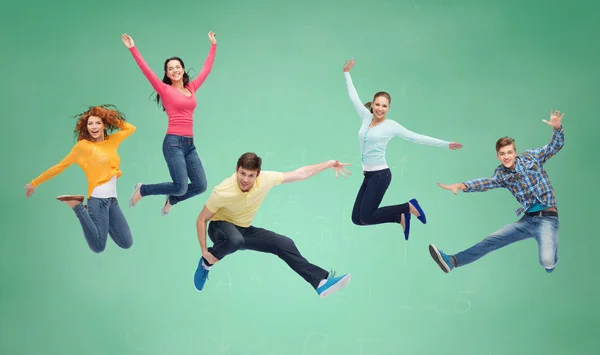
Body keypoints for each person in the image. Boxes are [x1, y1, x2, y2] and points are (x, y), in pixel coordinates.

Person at [194, 152, 352, 298]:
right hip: (219, 227)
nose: (245, 179)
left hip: (243, 229)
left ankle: (320, 282)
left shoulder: (265, 179)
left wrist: (329, 163)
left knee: (284, 243)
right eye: (242, 173)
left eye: (251, 175)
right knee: (235, 240)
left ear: (258, 174)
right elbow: (202, 219)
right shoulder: (223, 190)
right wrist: (204, 251)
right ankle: (206, 263)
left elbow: (300, 174)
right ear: (237, 169)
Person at [429, 110, 565, 274]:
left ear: (515, 152)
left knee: (547, 261)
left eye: (509, 152)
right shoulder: (502, 174)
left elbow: (553, 147)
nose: (506, 157)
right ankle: (452, 261)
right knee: (490, 240)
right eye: (502, 154)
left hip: (547, 219)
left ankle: (550, 262)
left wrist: (557, 128)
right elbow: (485, 183)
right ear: (498, 156)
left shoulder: (531, 157)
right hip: (528, 220)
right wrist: (460, 185)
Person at [342, 58, 463, 240]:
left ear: (388, 108)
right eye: (377, 104)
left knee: (366, 216)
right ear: (373, 105)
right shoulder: (365, 117)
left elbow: (416, 138)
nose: (380, 109)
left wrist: (446, 144)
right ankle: (399, 216)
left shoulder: (391, 125)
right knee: (357, 219)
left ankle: (407, 207)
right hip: (368, 175)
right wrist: (346, 73)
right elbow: (354, 98)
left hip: (381, 175)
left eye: (384, 106)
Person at [121, 31, 217, 216]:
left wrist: (213, 45)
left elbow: (207, 69)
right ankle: (143, 190)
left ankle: (172, 199)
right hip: (173, 143)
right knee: (180, 187)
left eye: (177, 67)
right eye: (170, 68)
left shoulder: (192, 88)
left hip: (189, 145)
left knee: (200, 186)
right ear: (166, 73)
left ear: (183, 69)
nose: (174, 70)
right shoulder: (164, 89)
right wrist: (133, 48)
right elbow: (146, 71)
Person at [23, 104, 136, 253]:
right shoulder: (83, 147)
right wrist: (34, 183)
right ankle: (77, 206)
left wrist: (108, 116)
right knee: (98, 247)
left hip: (112, 201)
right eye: (90, 123)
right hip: (97, 200)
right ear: (86, 126)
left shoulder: (112, 142)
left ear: (103, 125)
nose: (93, 127)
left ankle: (88, 216)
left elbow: (130, 128)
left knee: (126, 242)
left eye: (97, 123)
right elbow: (60, 166)